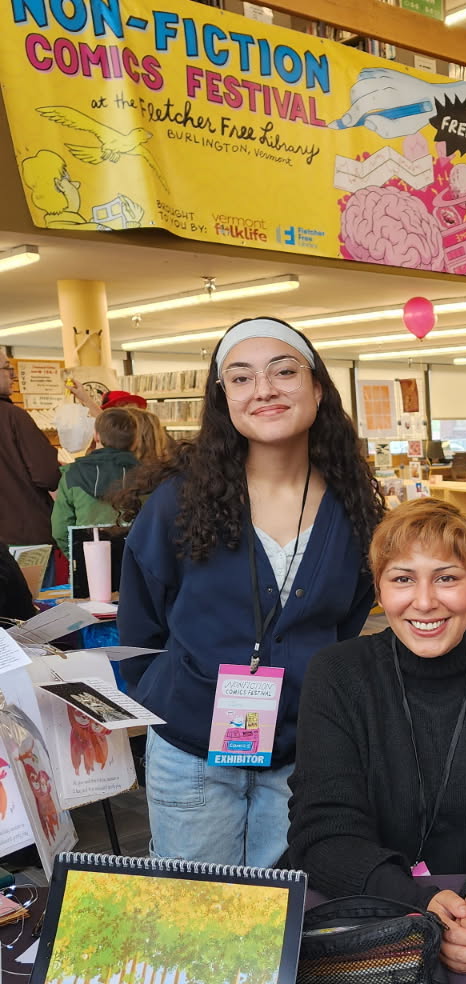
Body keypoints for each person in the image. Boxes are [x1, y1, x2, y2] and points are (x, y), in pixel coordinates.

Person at [118, 317, 384, 867]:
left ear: (317, 387)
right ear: (224, 400)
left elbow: (347, 621)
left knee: (281, 917)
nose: (263, 389)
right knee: (194, 919)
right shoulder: (180, 502)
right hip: (191, 748)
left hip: (302, 751)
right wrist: (181, 695)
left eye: (283, 371)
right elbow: (141, 627)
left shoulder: (354, 509)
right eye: (240, 378)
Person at [288, 499, 466, 974]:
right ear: (378, 588)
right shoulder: (337, 674)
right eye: (402, 579)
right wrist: (416, 908)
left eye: (447, 577)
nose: (424, 601)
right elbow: (324, 828)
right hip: (377, 914)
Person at [50, 405, 138, 554]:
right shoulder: (148, 475)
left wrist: (77, 558)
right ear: (135, 440)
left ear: (96, 436)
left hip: (86, 558)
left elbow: (60, 529)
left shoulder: (72, 474)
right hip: (134, 560)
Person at [0, 354, 61, 546]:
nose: (13, 375)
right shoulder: (13, 417)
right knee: (33, 578)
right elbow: (47, 475)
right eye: (7, 368)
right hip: (22, 535)